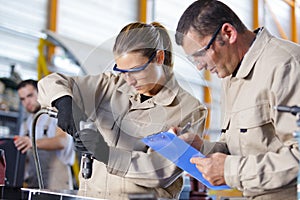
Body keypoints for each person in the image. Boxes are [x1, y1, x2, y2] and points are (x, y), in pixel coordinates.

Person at [37, 22, 207, 199]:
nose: (129, 80)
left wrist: (103, 152)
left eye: (135, 70)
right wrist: (64, 102)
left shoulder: (189, 109)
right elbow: (51, 82)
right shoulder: (110, 86)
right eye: (122, 70)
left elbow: (161, 171)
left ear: (159, 58)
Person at [173, 0, 300, 199]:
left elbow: (298, 160)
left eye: (200, 54)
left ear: (228, 33)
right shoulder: (231, 75)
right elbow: (238, 147)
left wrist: (229, 171)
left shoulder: (287, 66)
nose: (199, 67)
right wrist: (201, 148)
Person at [14, 79, 75, 190]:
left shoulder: (56, 115)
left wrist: (32, 142)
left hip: (57, 183)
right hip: (34, 183)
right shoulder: (25, 125)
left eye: (30, 95)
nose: (27, 102)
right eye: (22, 99)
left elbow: (62, 141)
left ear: (40, 92)